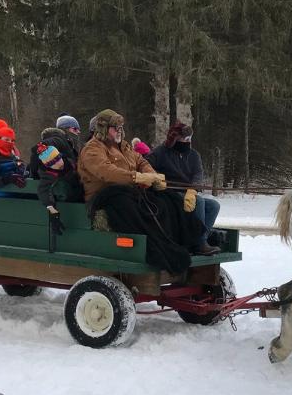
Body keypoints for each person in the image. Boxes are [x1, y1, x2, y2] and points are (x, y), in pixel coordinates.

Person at [79, 108, 203, 273]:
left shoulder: (124, 146)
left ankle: (186, 241)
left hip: (128, 190)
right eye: (115, 128)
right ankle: (158, 249)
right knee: (132, 208)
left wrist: (152, 177)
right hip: (105, 195)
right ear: (103, 128)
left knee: (167, 199)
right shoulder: (92, 149)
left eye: (121, 128)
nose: (119, 131)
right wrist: (137, 178)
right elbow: (106, 172)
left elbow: (142, 161)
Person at [149, 122, 221, 255]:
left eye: (190, 139)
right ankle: (197, 243)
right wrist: (156, 179)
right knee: (199, 202)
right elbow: (146, 165)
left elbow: (198, 174)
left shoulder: (194, 155)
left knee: (213, 205)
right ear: (175, 139)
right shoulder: (161, 152)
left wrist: (193, 190)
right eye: (185, 139)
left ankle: (202, 239)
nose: (188, 142)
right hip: (168, 193)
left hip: (188, 192)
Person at [0, 126, 28, 197]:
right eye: (7, 140)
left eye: (12, 141)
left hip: (16, 194)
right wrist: (8, 178)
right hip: (1, 197)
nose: (10, 143)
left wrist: (21, 169)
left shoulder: (12, 155)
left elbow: (19, 165)